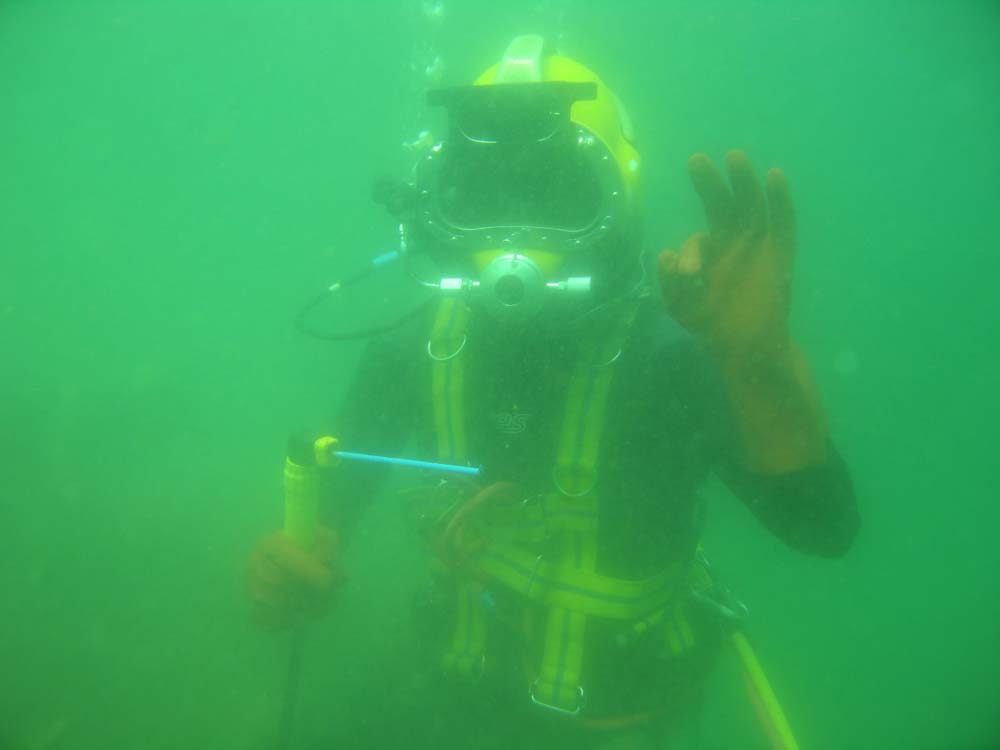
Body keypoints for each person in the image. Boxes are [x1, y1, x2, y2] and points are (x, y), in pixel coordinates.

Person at [248, 35, 859, 749]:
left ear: (618, 200)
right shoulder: (409, 352)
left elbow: (822, 528)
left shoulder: (677, 362)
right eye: (484, 195)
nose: (517, 239)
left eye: (559, 193)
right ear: (439, 205)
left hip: (624, 727)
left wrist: (758, 366)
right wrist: (287, 573)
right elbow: (320, 531)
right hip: (458, 707)